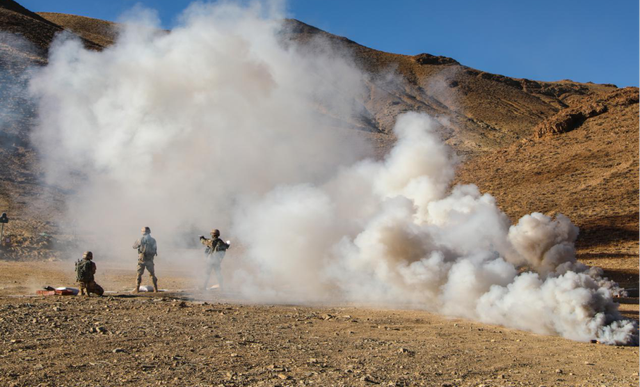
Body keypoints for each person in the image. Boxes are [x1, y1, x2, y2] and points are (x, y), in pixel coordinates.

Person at [133, 226, 158, 293]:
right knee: (152, 274)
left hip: (142, 260)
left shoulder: (140, 239)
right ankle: (155, 289)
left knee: (138, 274)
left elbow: (134, 246)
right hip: (149, 259)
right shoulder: (153, 240)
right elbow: (155, 249)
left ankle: (137, 289)